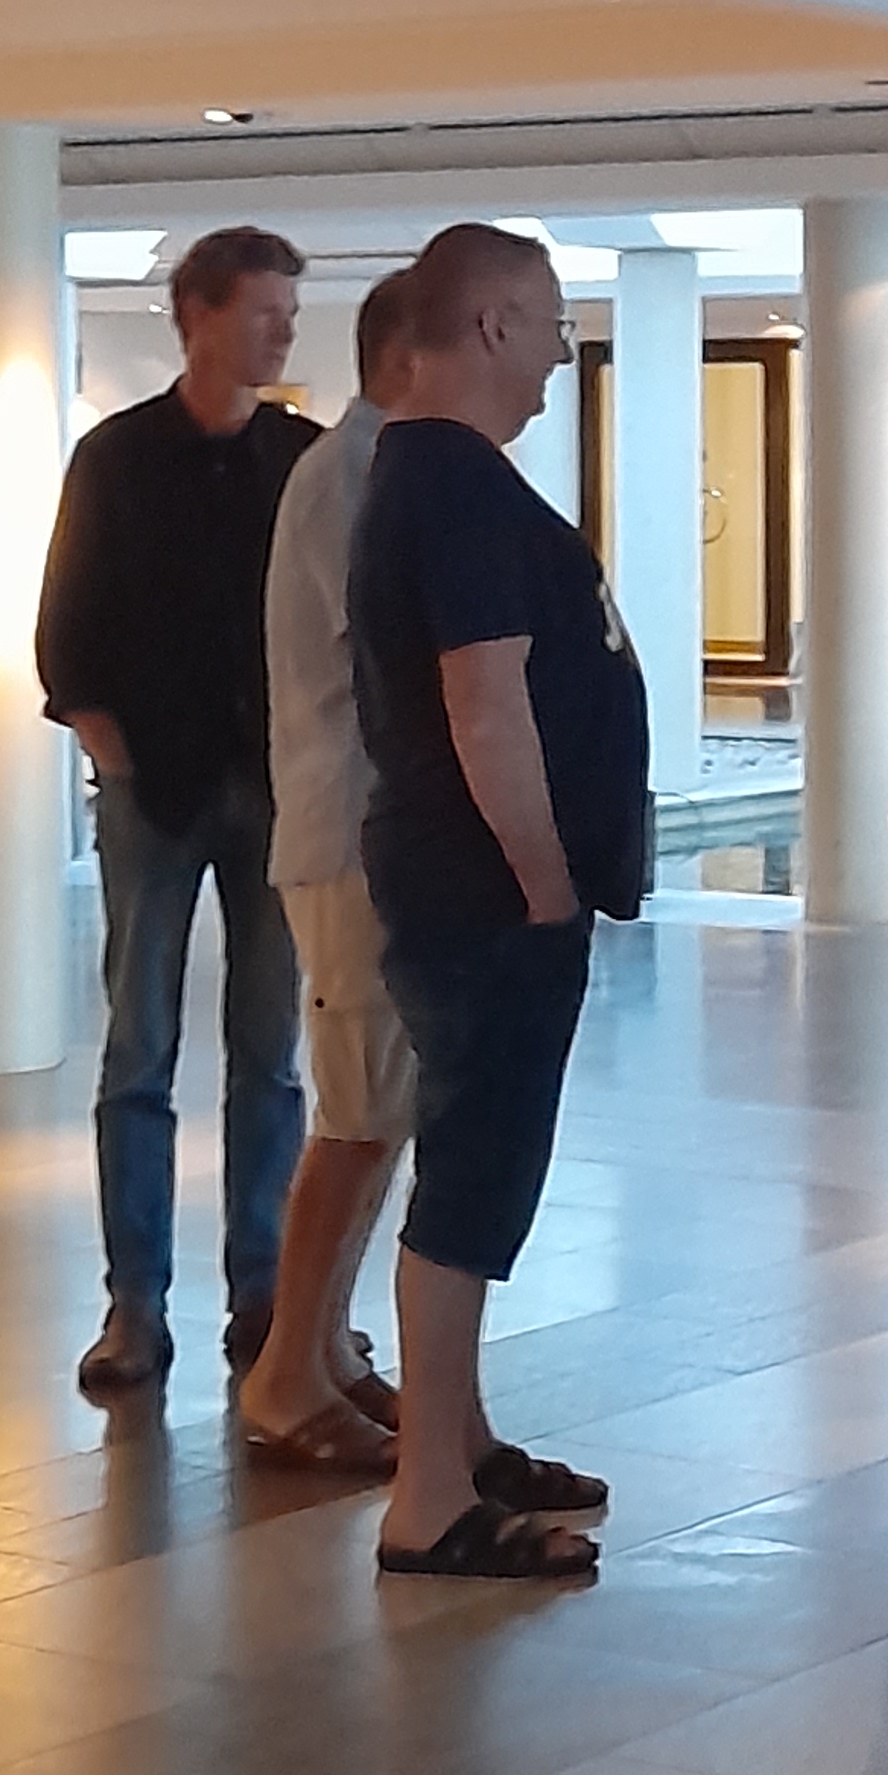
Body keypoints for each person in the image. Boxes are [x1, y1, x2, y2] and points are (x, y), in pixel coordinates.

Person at [351, 222, 648, 1580]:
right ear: (490, 326)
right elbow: (486, 703)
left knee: (476, 1160)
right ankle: (427, 1496)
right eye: (551, 327)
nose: (558, 356)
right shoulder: (455, 485)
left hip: (473, 882)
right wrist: (541, 877)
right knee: (473, 1170)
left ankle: (455, 1439)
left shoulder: (442, 476)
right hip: (483, 889)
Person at [37, 223, 316, 1397]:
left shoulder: (300, 459)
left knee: (271, 1054)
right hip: (157, 791)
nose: (282, 333)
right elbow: (67, 631)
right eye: (262, 312)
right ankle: (135, 1304)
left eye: (288, 314)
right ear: (195, 316)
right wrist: (116, 757)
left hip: (276, 789)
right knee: (138, 1050)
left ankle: (266, 1292)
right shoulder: (115, 459)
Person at [237, 268, 420, 1472]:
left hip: (372, 835)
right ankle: (287, 1368)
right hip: (348, 832)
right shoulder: (348, 474)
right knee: (354, 1111)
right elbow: (395, 648)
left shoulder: (378, 468)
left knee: (381, 1109)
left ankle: (328, 1343)